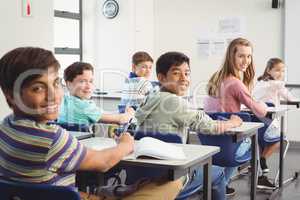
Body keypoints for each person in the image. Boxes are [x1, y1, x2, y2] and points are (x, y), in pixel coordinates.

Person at [0, 47, 183, 200]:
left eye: (55, 84)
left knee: (132, 187)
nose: (53, 95)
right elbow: (103, 163)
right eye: (38, 88)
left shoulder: (5, 127)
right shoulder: (52, 138)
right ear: (10, 95)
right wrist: (126, 145)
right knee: (172, 183)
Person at [134, 51, 243, 200]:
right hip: (172, 178)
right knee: (218, 172)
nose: (184, 78)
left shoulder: (150, 98)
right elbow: (210, 127)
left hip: (142, 175)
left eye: (187, 73)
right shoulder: (176, 102)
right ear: (161, 77)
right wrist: (233, 122)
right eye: (177, 73)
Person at [204, 37, 276, 191]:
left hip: (209, 140)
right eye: (241, 56)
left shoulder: (216, 77)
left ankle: (219, 182)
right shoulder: (235, 83)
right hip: (228, 143)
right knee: (254, 141)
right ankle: (221, 183)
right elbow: (260, 111)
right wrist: (262, 104)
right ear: (232, 57)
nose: (246, 61)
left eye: (249, 56)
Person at [253, 58, 299, 173]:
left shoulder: (260, 82)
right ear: (269, 70)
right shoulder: (276, 84)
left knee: (261, 143)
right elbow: (289, 97)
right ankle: (262, 159)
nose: (281, 74)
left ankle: (256, 165)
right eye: (277, 70)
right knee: (279, 140)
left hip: (255, 122)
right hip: (267, 122)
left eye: (283, 71)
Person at [58, 62, 134, 125]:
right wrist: (130, 113)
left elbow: (103, 114)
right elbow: (121, 119)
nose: (88, 86)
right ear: (68, 84)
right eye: (82, 81)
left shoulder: (65, 99)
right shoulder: (83, 106)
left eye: (90, 81)